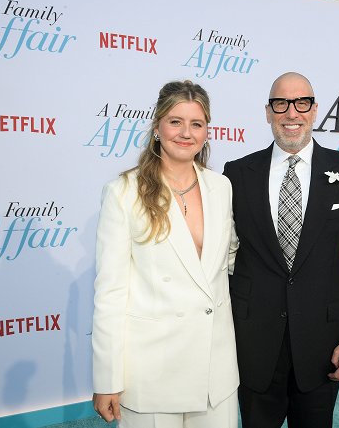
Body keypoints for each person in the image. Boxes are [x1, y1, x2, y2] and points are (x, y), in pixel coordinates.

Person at [223, 72, 339, 428]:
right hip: (252, 342)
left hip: (322, 343)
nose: (291, 113)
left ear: (315, 111)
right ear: (268, 112)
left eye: (302, 103)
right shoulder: (235, 174)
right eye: (281, 103)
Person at [92, 80, 239, 428]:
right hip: (152, 372)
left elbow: (229, 263)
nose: (185, 133)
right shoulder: (123, 192)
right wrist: (107, 378)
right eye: (175, 121)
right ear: (157, 127)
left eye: (196, 124)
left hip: (214, 372)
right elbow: (111, 292)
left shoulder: (221, 187)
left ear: (207, 133)